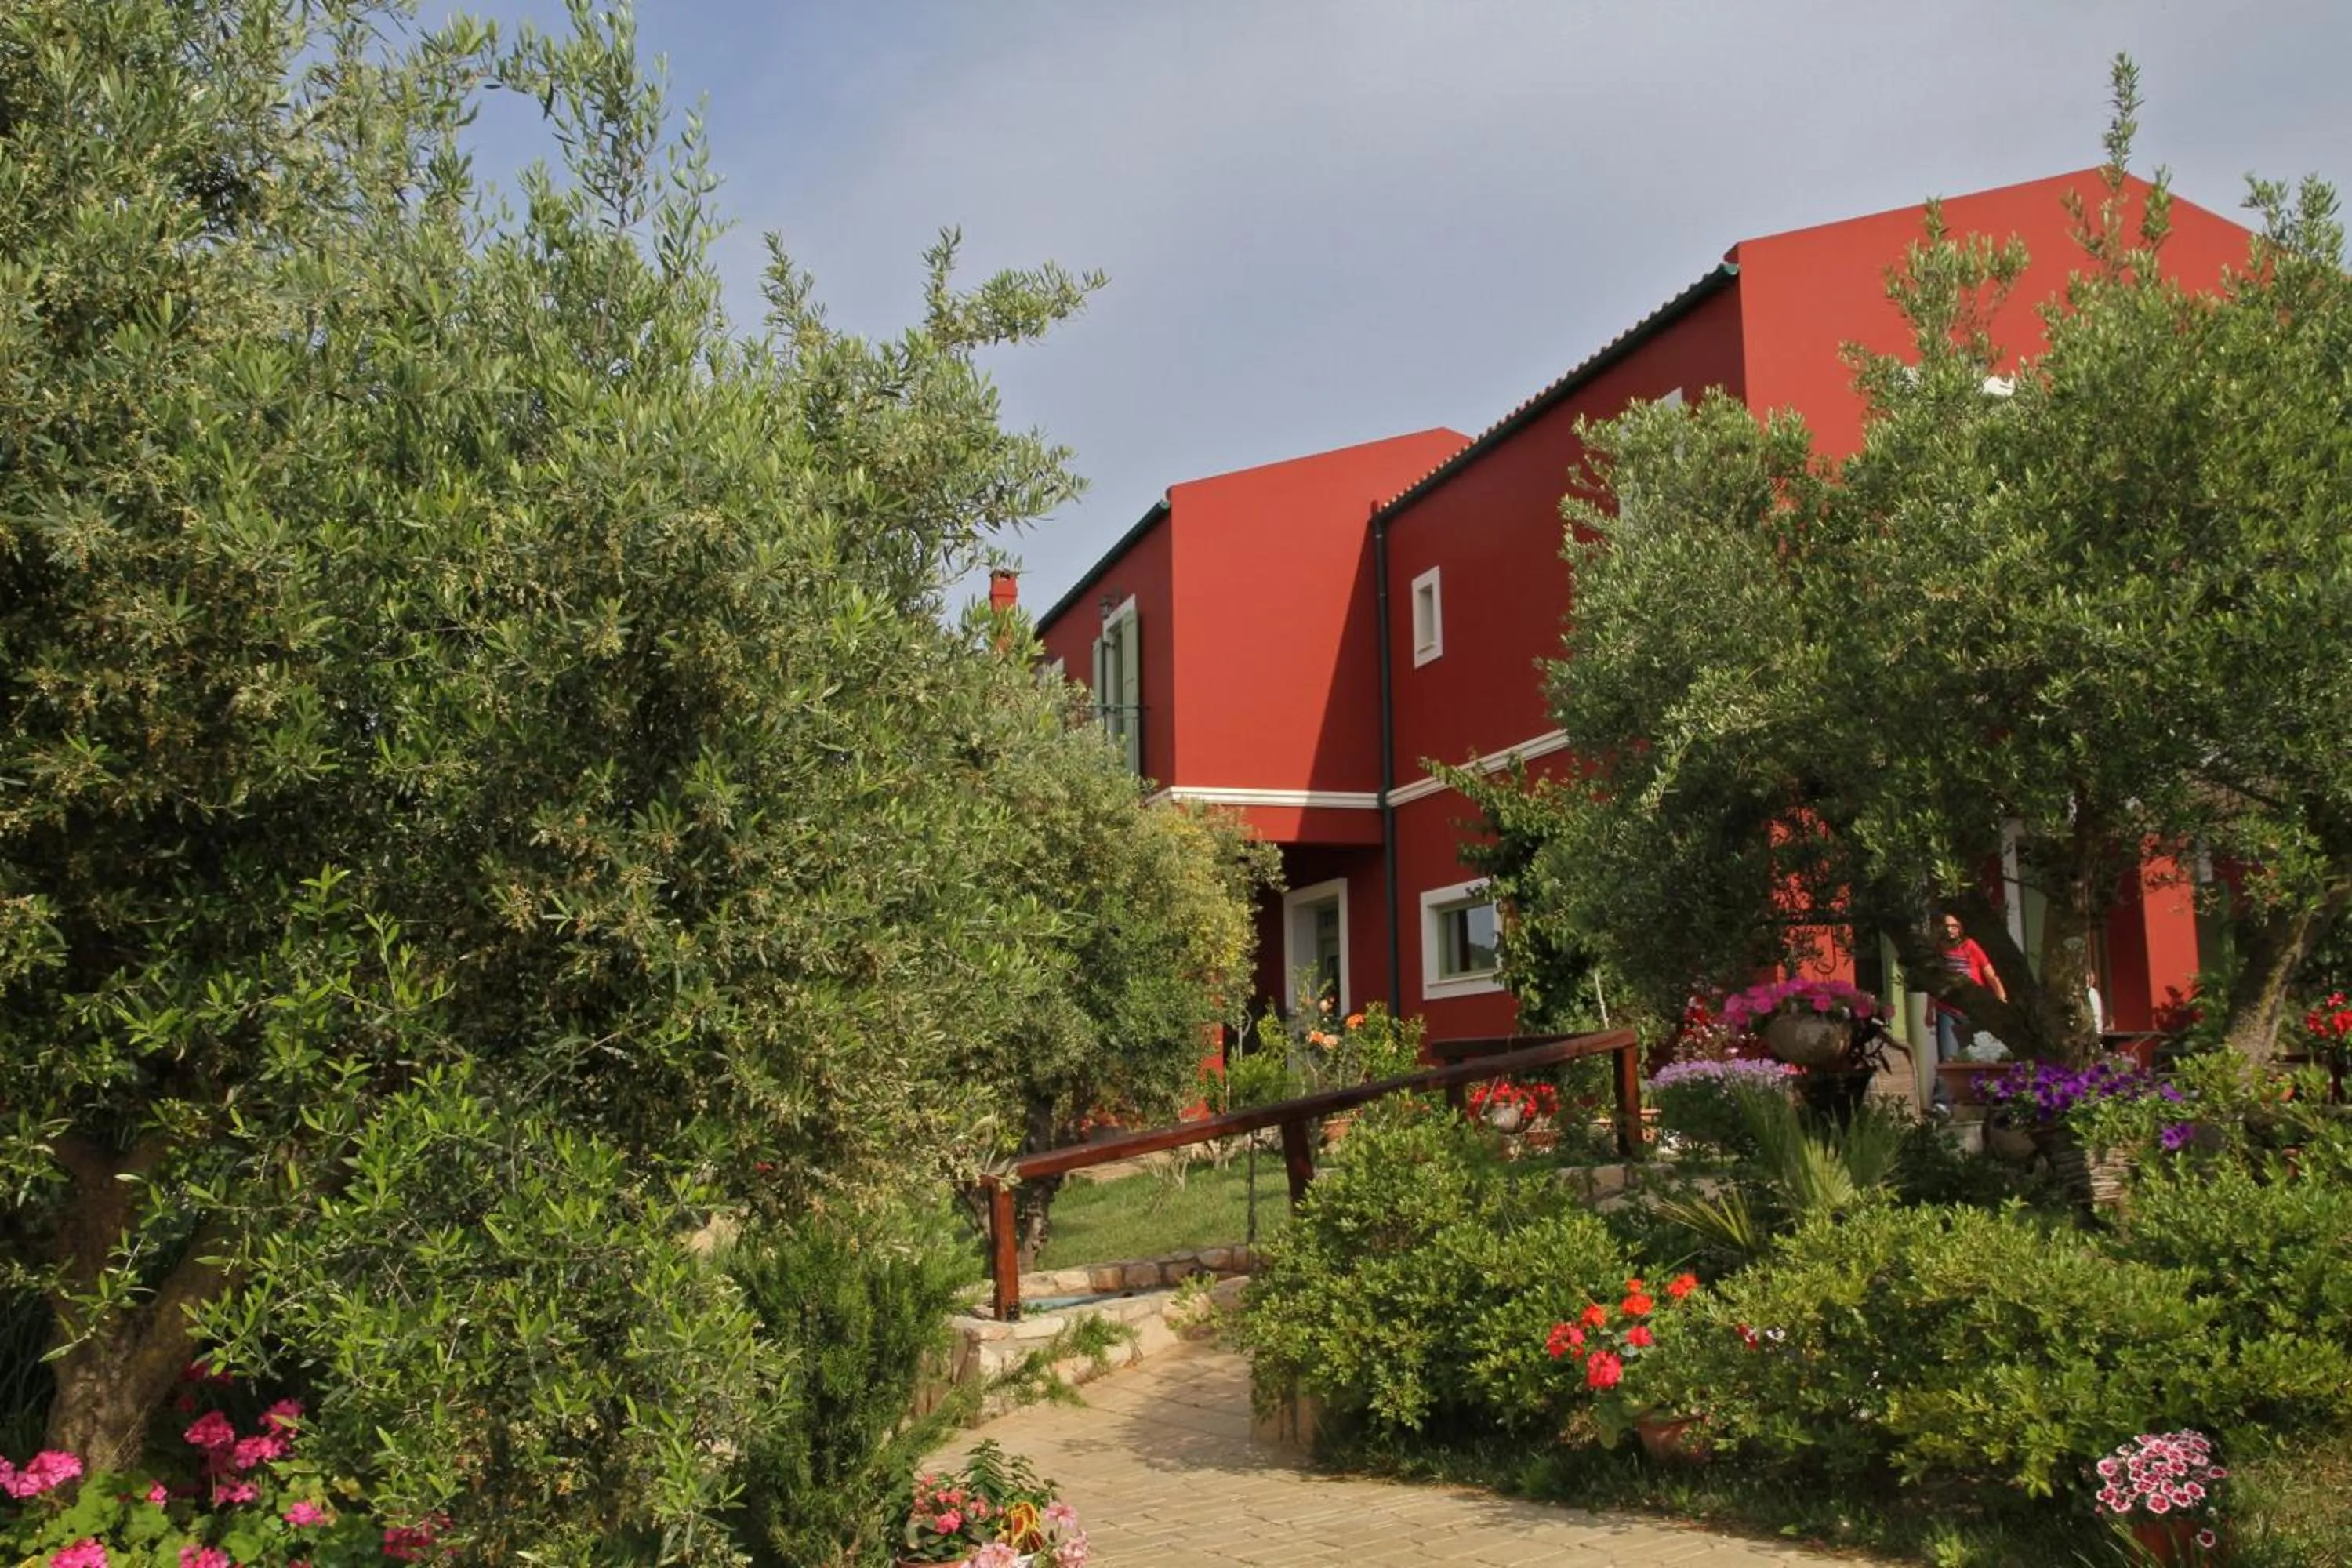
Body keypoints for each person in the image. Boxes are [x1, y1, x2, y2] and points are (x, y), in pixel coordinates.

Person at [1934, 912, 2007, 1065]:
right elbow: (1934, 981)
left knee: (1977, 1055)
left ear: (1960, 928)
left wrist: (2001, 996)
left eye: (1954, 926)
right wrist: (1929, 1009)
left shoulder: (1970, 945)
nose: (1950, 930)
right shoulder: (1939, 949)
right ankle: (1945, 1089)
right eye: (1947, 926)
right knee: (1949, 1058)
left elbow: (1990, 974)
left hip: (1973, 1008)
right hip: (1947, 1009)